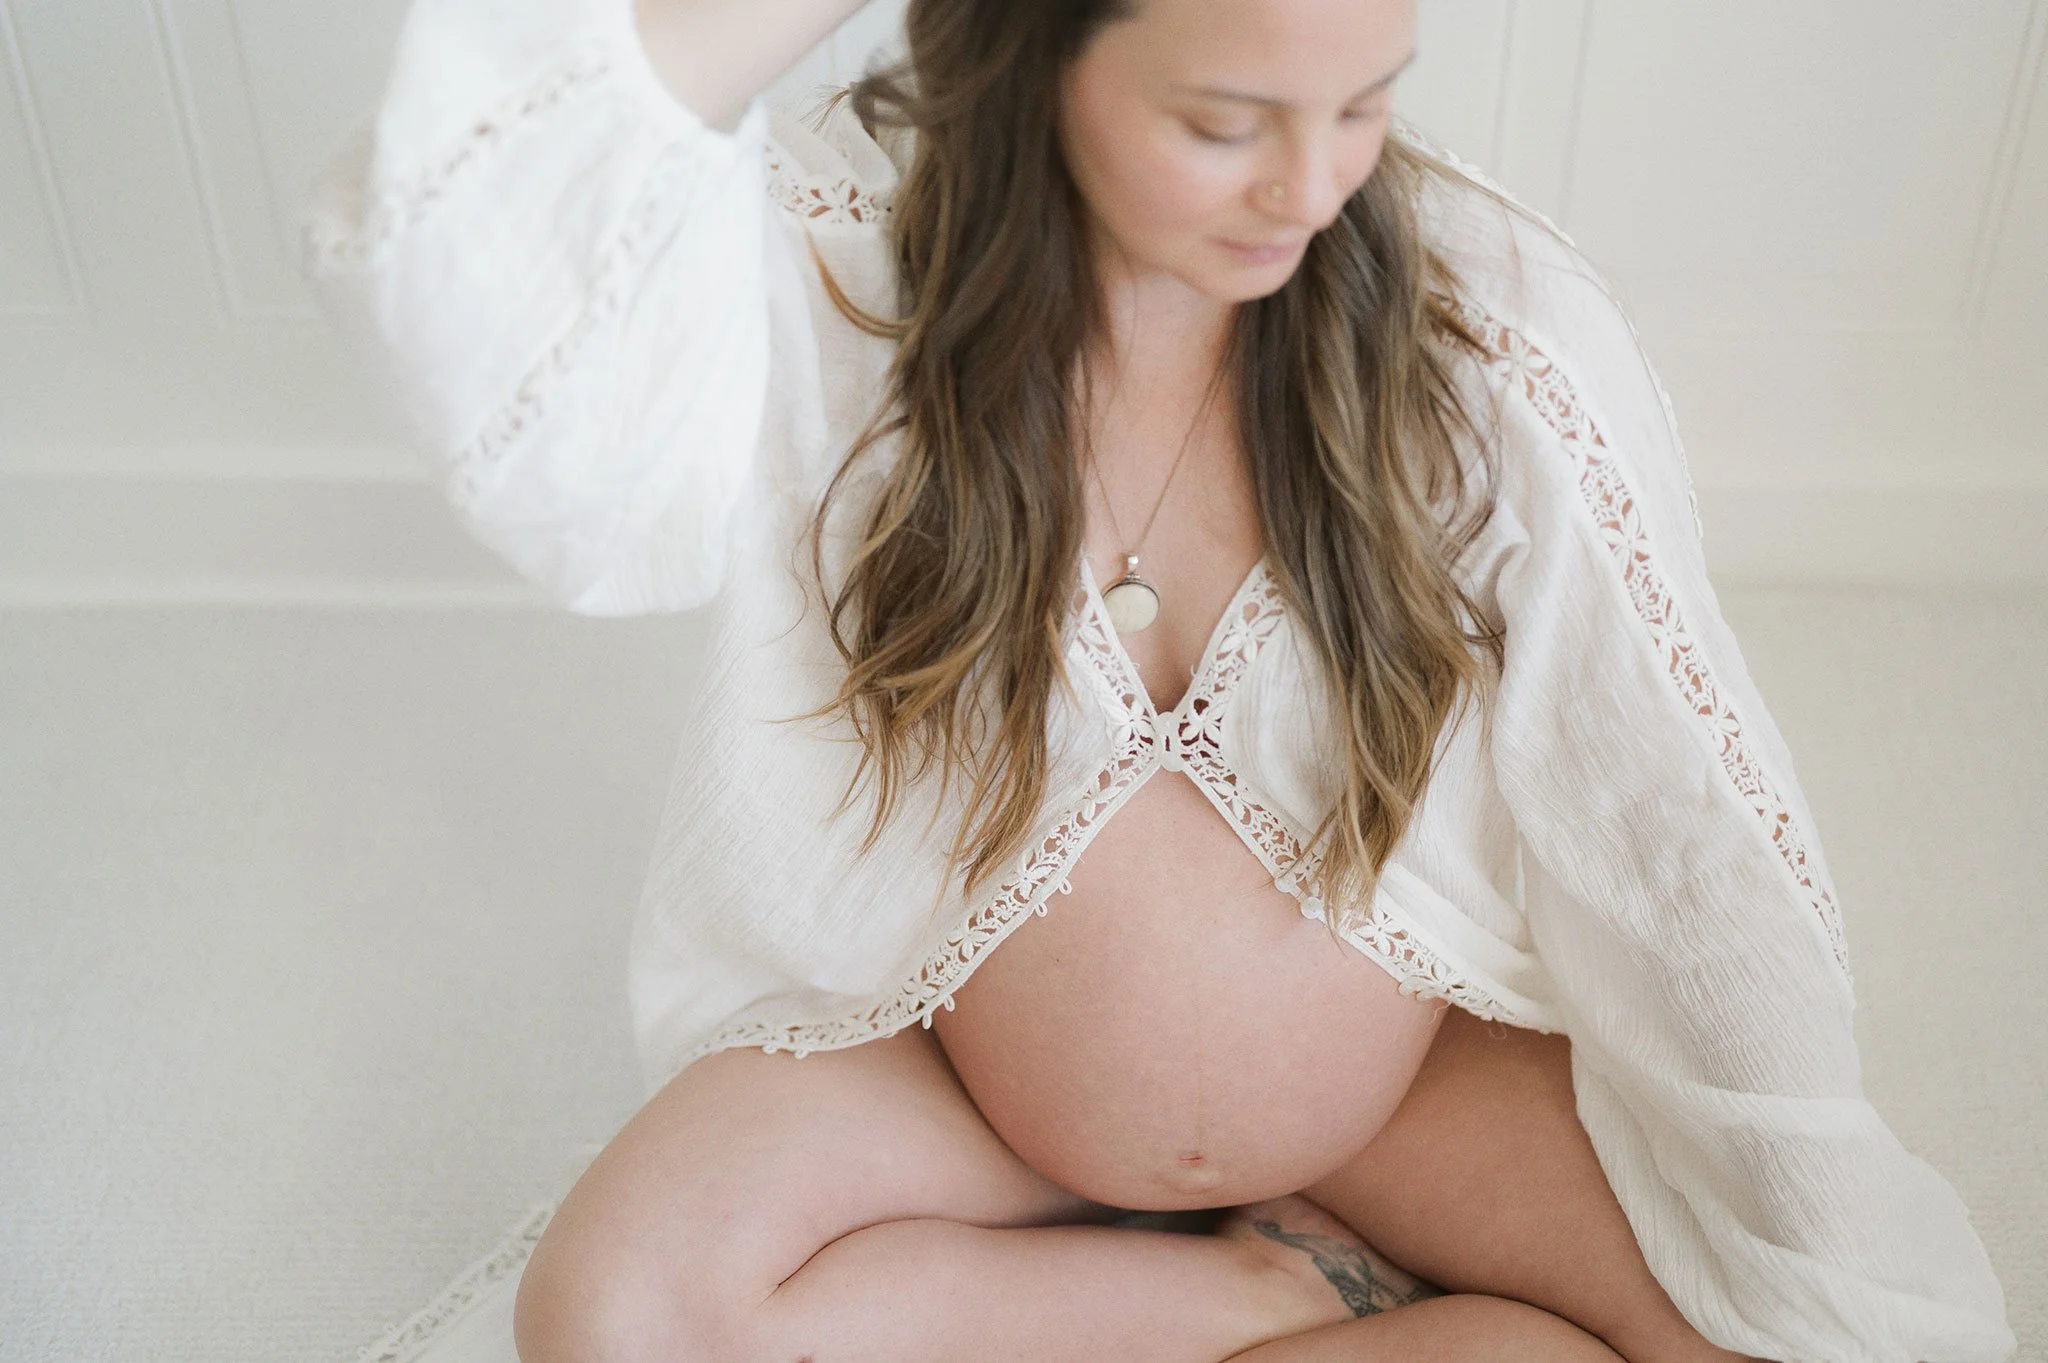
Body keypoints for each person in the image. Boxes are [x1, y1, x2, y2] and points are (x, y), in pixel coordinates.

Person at [300, 1, 2018, 1360]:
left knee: (1782, 1338)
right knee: (611, 1312)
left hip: (1406, 1104)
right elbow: (480, 269)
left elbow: (1677, 834)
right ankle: (1261, 1298)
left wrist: (1815, 1222)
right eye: (1225, 123)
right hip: (967, 1093)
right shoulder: (840, 273)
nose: (1312, 188)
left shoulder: (1483, 336)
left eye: (1365, 103)